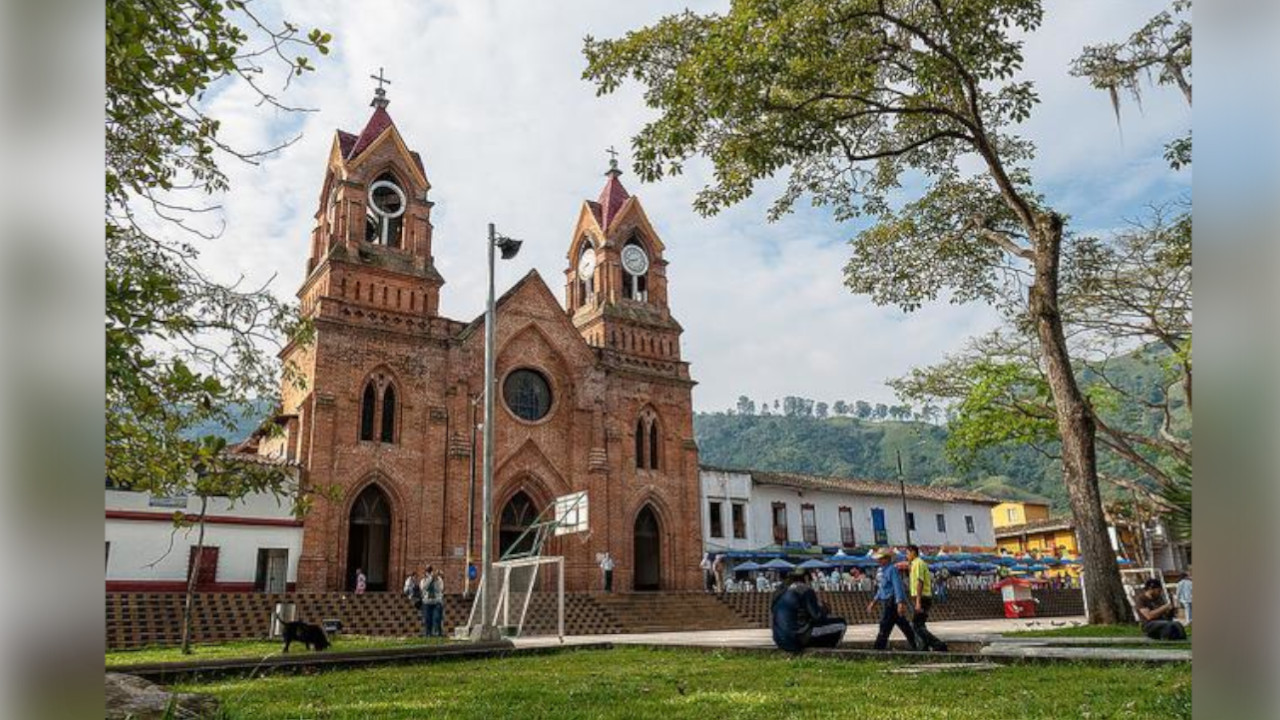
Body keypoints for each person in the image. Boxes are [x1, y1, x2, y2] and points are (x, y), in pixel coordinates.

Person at [770, 568, 847, 652]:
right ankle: (832, 652)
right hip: (797, 638)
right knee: (841, 623)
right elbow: (817, 617)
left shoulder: (779, 591)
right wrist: (824, 609)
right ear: (806, 577)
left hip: (779, 639)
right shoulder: (804, 589)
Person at [867, 549, 917, 651]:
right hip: (887, 601)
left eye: (881, 559)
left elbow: (897, 586)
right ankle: (917, 644)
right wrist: (874, 602)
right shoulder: (884, 571)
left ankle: (878, 648)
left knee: (885, 625)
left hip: (891, 601)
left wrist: (900, 603)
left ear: (887, 559)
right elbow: (882, 589)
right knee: (903, 625)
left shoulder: (892, 570)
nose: (879, 561)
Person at [906, 545, 948, 652]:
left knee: (917, 625)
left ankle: (938, 644)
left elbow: (920, 582)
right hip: (920, 597)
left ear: (913, 552)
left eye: (907, 553)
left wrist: (918, 601)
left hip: (922, 597)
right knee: (921, 624)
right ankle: (924, 646)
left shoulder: (919, 563)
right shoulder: (915, 564)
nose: (907, 556)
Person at [420, 565, 445, 638]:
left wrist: (436, 580)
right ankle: (428, 633)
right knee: (427, 619)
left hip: (437, 602)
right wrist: (430, 579)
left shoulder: (439, 579)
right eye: (428, 571)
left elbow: (440, 589)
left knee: (437, 618)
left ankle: (438, 633)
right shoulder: (423, 580)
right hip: (427, 602)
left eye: (430, 570)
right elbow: (424, 588)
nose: (429, 572)